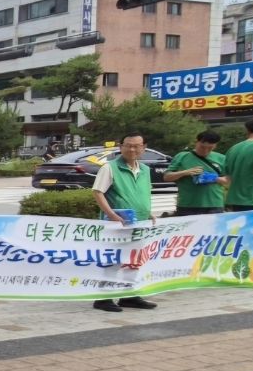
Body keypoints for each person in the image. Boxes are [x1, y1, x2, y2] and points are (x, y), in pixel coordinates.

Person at [91, 133, 157, 313]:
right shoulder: (110, 168)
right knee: (113, 261)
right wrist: (111, 214)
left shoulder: (144, 169)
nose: (132, 149)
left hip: (139, 223)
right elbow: (98, 192)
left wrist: (148, 212)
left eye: (137, 146)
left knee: (134, 260)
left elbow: (142, 194)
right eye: (128, 145)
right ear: (121, 146)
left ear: (144, 147)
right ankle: (103, 298)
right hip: (117, 224)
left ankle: (129, 296)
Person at [164, 130, 230, 215]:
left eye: (210, 148)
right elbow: (167, 177)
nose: (205, 151)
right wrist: (185, 172)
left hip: (214, 204)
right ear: (196, 142)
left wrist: (213, 178)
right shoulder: (182, 156)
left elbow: (228, 180)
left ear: (215, 145)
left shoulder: (221, 158)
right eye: (202, 147)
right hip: (187, 205)